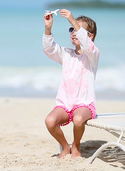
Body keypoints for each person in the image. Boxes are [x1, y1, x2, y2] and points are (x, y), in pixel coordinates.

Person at [43, 9, 100, 159]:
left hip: (84, 104)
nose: (73, 32)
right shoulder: (66, 54)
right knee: (49, 121)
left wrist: (73, 20)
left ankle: (76, 144)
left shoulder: (93, 55)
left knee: (78, 119)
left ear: (90, 36)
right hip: (65, 104)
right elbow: (49, 49)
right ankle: (66, 146)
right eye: (71, 30)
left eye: (77, 30)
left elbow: (88, 46)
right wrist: (48, 28)